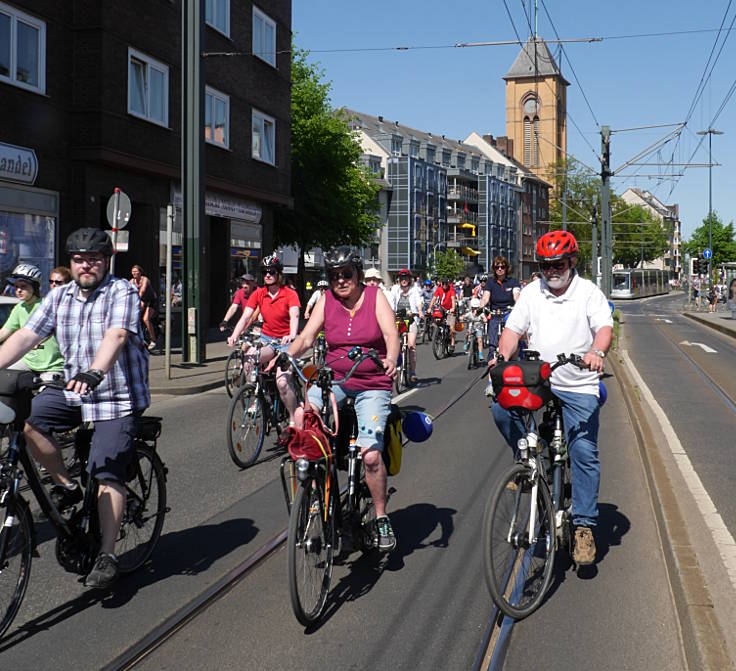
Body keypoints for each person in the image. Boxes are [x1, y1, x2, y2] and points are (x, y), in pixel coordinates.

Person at [0, 228, 150, 589]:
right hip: (74, 390)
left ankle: (107, 553)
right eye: (80, 259)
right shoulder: (59, 296)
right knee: (30, 423)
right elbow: (25, 336)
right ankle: (66, 485)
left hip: (116, 394)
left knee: (105, 471)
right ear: (71, 262)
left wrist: (96, 371)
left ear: (106, 261)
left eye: (95, 259)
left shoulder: (122, 291)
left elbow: (115, 335)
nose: (87, 265)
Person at [489, 230, 613, 566]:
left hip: (578, 383)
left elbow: (603, 327)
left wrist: (597, 351)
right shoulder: (532, 292)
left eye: (557, 264)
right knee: (500, 408)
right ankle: (532, 460)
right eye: (545, 266)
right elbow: (513, 330)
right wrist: (502, 356)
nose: (551, 271)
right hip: (538, 380)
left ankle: (584, 527)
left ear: (572, 262)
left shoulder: (588, 293)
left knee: (584, 451)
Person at [285, 247, 399, 551]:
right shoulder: (326, 301)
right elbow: (307, 337)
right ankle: (311, 489)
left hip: (372, 383)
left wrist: (391, 358)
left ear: (358, 274)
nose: (341, 280)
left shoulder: (375, 297)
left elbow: (391, 335)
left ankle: (379, 515)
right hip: (334, 379)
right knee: (301, 417)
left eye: (346, 273)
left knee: (371, 455)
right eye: (334, 276)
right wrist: (287, 354)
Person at [227, 253, 301, 426]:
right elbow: (245, 317)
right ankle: (257, 396)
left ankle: (292, 417)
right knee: (250, 358)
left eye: (272, 271)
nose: (268, 275)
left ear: (279, 273)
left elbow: (295, 315)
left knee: (282, 382)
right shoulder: (259, 293)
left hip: (286, 342)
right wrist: (234, 335)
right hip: (267, 339)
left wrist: (291, 334)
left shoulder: (289, 294)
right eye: (265, 271)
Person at [0, 263, 65, 379]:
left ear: (35, 287)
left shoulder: (47, 305)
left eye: (23, 286)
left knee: (45, 395)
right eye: (16, 286)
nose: (18, 290)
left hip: (52, 366)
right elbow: (4, 332)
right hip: (28, 363)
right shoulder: (19, 308)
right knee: (4, 380)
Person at [479, 255, 521, 354]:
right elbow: (485, 297)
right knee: (492, 345)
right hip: (494, 314)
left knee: (512, 342)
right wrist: (480, 307)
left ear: (506, 268)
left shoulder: (513, 282)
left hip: (509, 313)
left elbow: (516, 295)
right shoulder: (490, 282)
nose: (500, 269)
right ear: (494, 269)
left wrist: (519, 306)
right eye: (497, 267)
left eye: (502, 267)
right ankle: (492, 361)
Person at [390, 269, 424, 383]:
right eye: (402, 278)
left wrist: (420, 311)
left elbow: (418, 302)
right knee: (395, 344)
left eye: (406, 278)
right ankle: (397, 366)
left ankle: (412, 372)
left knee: (411, 346)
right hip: (399, 320)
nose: (404, 280)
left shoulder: (414, 290)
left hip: (411, 319)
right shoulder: (395, 289)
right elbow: (391, 301)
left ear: (409, 280)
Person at [130, 265, 157, 351]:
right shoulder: (132, 281)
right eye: (133, 271)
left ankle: (153, 340)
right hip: (142, 300)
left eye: (136, 271)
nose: (134, 273)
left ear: (140, 272)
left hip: (151, 301)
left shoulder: (145, 280)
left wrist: (137, 299)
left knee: (146, 319)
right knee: (134, 316)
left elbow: (142, 291)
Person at [429, 277, 457, 350]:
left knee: (451, 328)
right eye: (443, 284)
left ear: (448, 284)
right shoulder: (439, 289)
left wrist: (453, 308)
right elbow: (434, 298)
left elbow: (453, 299)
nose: (444, 285)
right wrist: (429, 308)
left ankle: (452, 343)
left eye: (446, 284)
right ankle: (438, 335)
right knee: (437, 321)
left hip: (450, 310)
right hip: (442, 309)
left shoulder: (451, 289)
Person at [462, 296, 487, 361]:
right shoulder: (470, 313)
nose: (475, 310)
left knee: (480, 340)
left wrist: (484, 320)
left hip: (478, 328)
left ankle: (480, 354)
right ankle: (466, 343)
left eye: (476, 308)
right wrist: (462, 318)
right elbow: (464, 316)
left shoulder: (481, 314)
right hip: (471, 327)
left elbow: (485, 318)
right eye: (473, 308)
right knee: (467, 333)